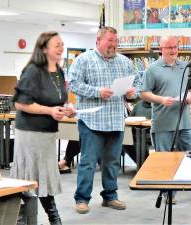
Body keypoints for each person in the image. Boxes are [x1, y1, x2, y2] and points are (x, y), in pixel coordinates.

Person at [140, 36, 191, 204]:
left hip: (185, 122)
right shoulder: (152, 69)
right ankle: (168, 194)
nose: (173, 50)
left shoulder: (186, 67)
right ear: (161, 48)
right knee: (166, 161)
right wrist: (161, 100)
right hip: (163, 123)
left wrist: (190, 95)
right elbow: (143, 93)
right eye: (169, 47)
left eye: (175, 47)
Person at [68, 26, 136, 214]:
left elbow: (135, 84)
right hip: (91, 120)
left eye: (115, 41)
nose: (113, 45)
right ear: (98, 40)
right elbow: (72, 84)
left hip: (115, 120)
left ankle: (110, 196)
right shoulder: (83, 60)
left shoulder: (124, 62)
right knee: (88, 161)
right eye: (110, 41)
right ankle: (82, 199)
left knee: (112, 161)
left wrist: (132, 92)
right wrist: (97, 92)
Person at [11, 31, 75, 225]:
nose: (61, 48)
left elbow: (60, 98)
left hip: (47, 134)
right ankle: (48, 218)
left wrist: (68, 108)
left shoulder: (59, 71)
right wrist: (49, 111)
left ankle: (46, 217)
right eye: (57, 45)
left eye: (62, 44)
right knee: (32, 174)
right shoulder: (32, 70)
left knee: (43, 174)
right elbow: (21, 103)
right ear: (44, 48)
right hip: (30, 132)